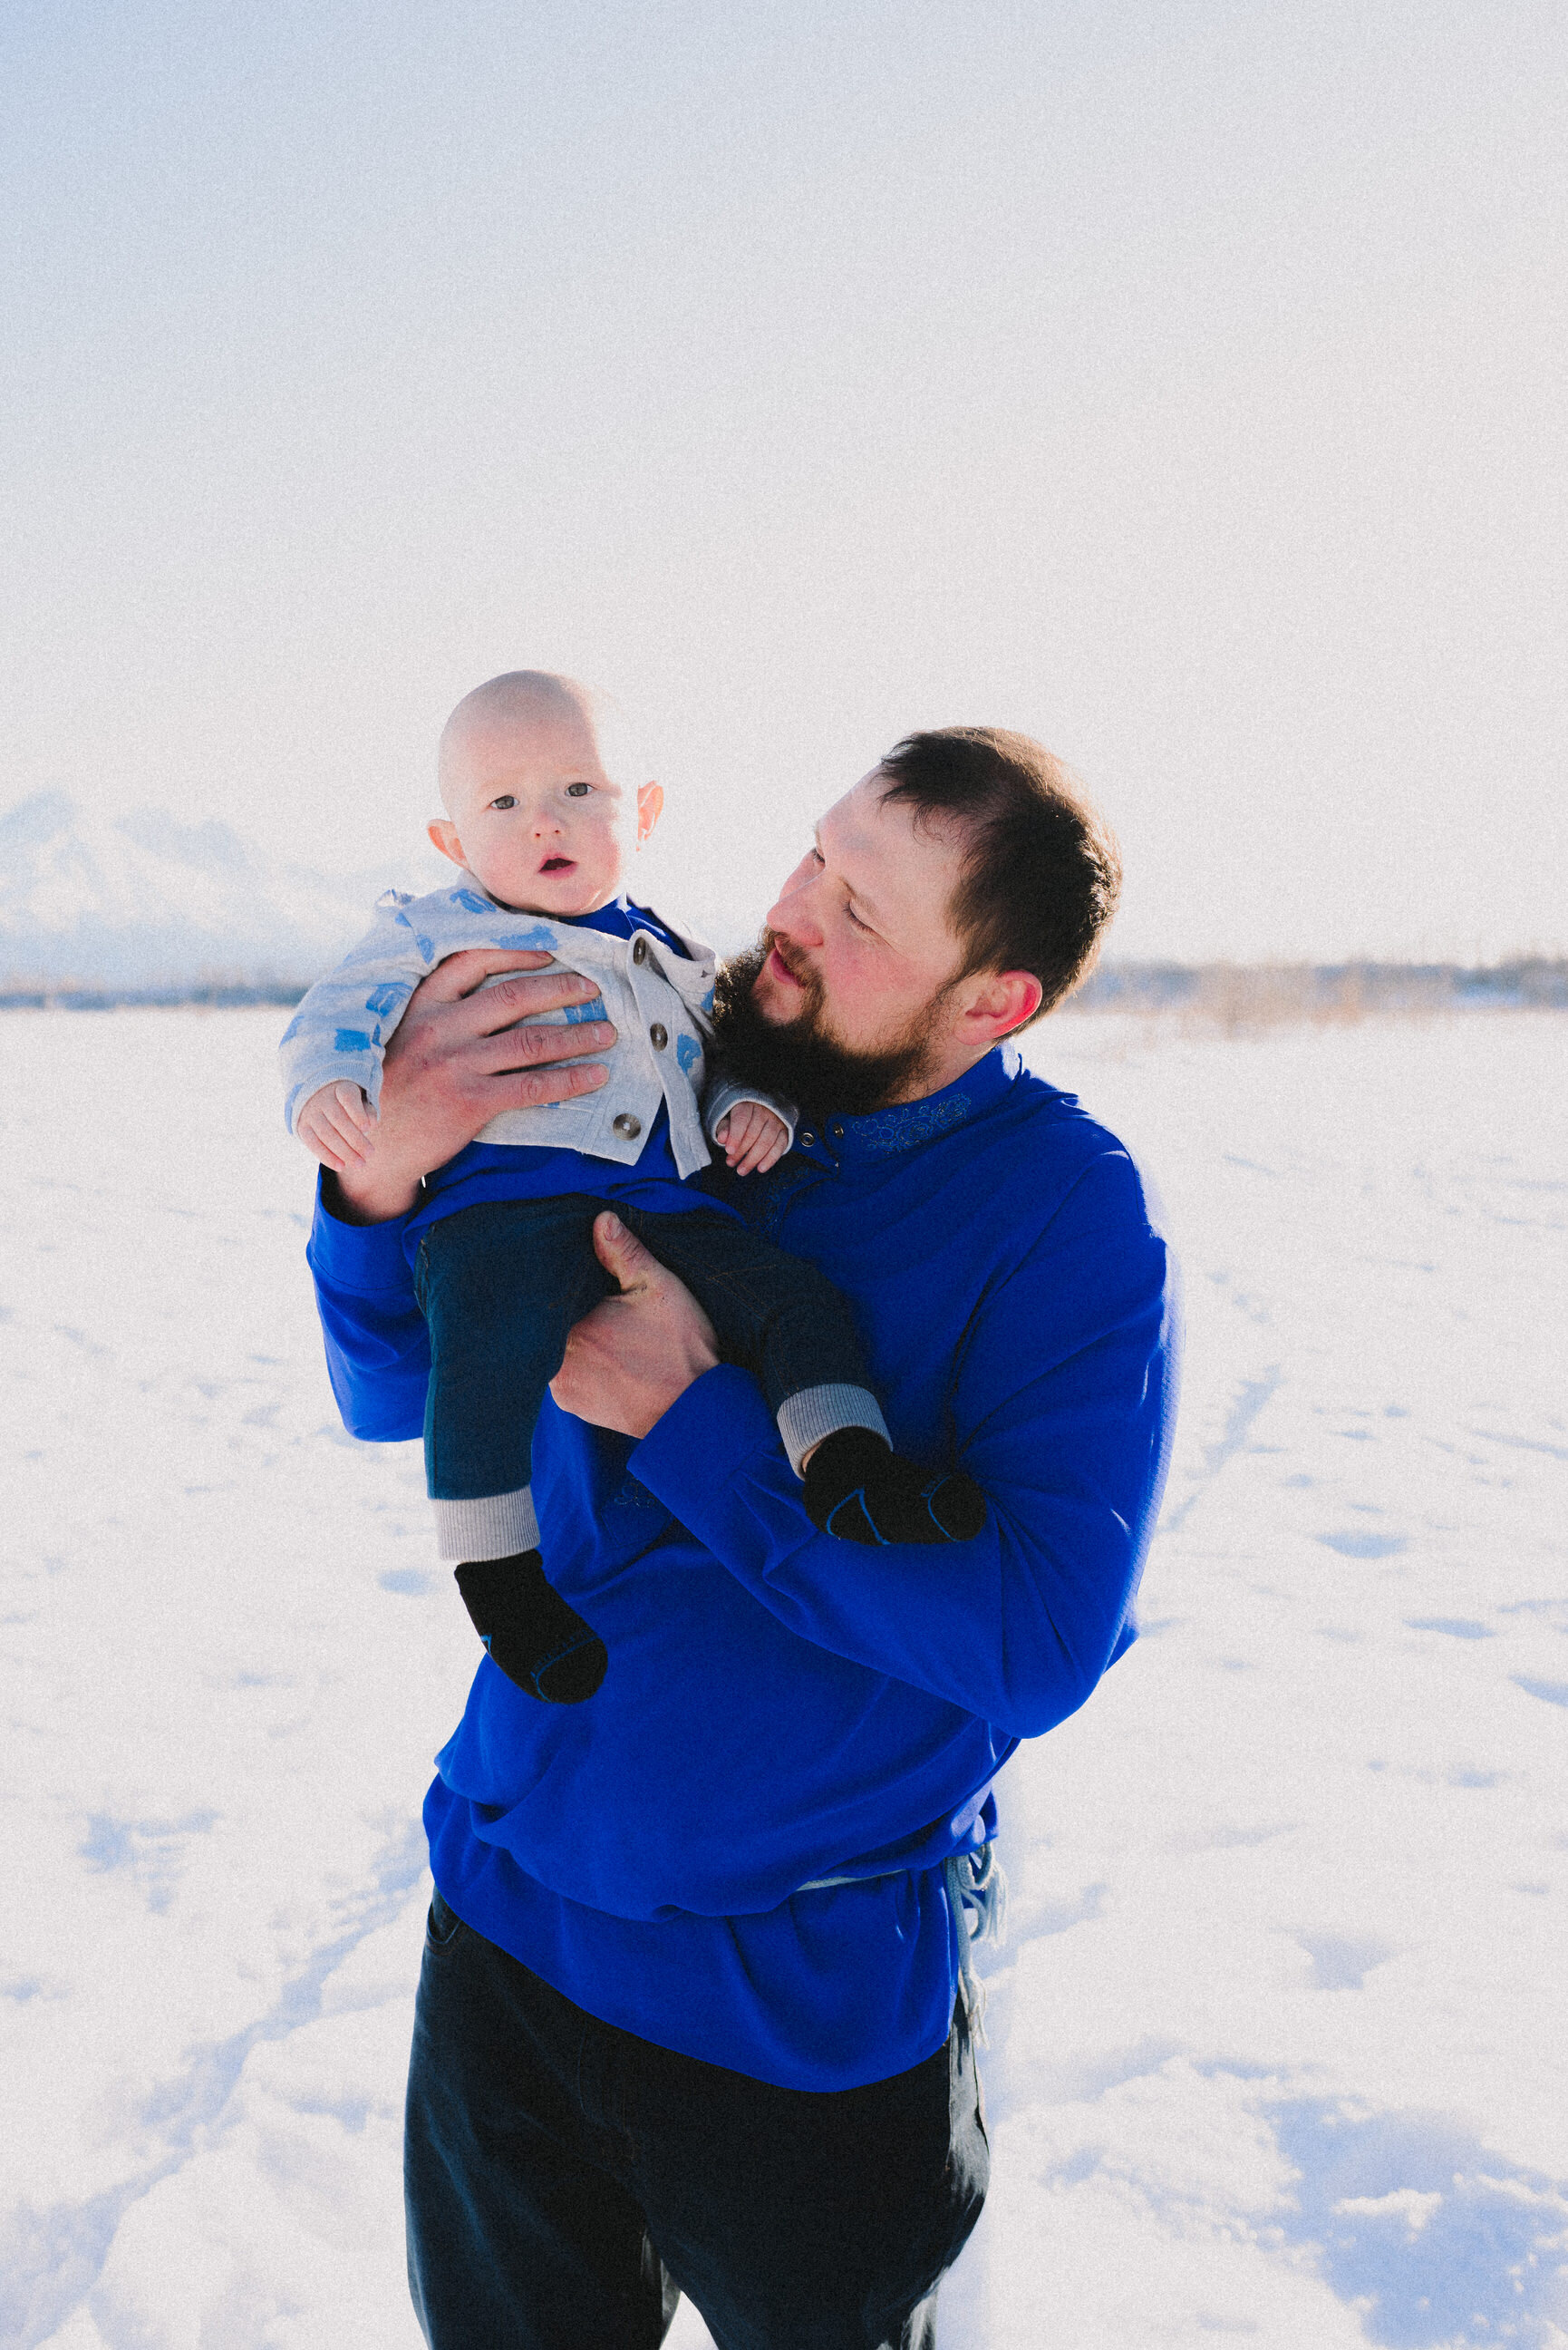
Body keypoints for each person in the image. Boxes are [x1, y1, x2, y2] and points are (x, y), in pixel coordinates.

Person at [305, 723, 1178, 2350]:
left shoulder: (1064, 1217)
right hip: (508, 1923)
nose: (793, 916)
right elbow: (393, 1385)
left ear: (993, 1001)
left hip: (794, 2017)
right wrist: (384, 1183)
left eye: (864, 914)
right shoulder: (667, 1060)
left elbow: (1038, 1638)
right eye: (816, 857)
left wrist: (698, 1427)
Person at [284, 672, 984, 1701]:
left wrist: (755, 1104)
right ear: (451, 844)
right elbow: (332, 1016)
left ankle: (845, 1467)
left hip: (663, 1215)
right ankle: (499, 1573)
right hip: (497, 1215)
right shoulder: (430, 938)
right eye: (503, 803)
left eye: (577, 789)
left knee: (788, 1301)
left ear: (642, 811)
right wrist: (336, 1096)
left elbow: (719, 1055)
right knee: (485, 1356)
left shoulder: (683, 959)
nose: (543, 824)